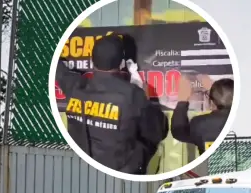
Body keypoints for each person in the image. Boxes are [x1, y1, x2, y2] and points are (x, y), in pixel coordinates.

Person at [56, 34, 168, 175]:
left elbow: (58, 70)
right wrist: (150, 100)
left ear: (92, 60)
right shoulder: (133, 95)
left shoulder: (75, 86)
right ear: (122, 63)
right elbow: (158, 131)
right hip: (122, 172)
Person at [171, 75, 233, 154]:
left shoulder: (201, 124)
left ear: (212, 103)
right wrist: (218, 91)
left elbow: (179, 132)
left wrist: (182, 100)